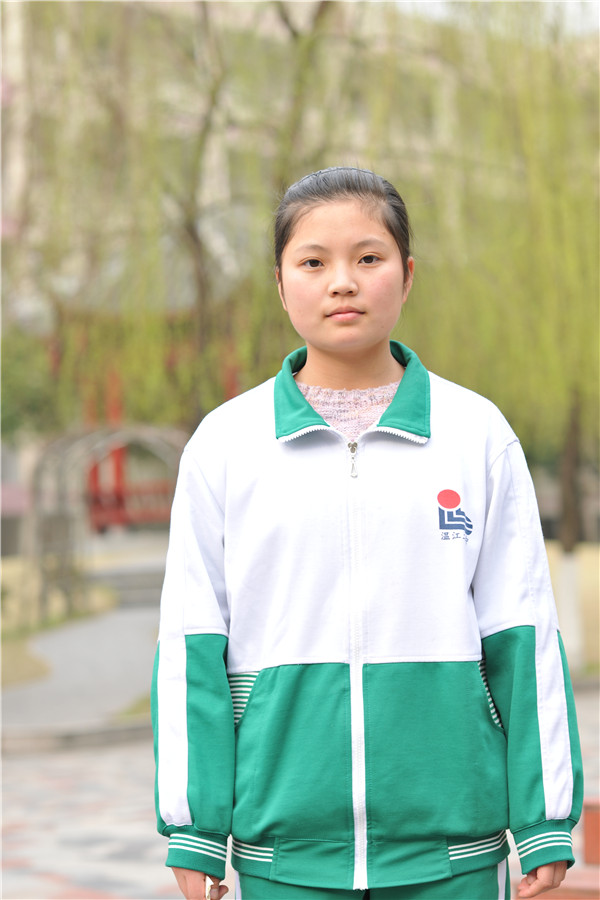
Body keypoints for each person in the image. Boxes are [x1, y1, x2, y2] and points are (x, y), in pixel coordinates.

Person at [152, 167, 583, 900]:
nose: (342, 282)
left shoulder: (476, 435)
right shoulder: (225, 445)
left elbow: (524, 633)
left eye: (368, 257)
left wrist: (543, 819)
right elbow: (191, 641)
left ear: (407, 276)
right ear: (280, 284)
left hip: (453, 849)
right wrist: (195, 828)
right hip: (282, 849)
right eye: (313, 262)